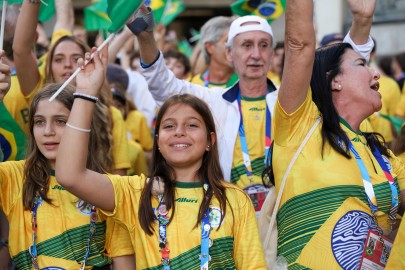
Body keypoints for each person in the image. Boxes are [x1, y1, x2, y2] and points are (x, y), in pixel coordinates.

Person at [127, 4, 375, 216]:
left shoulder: (294, 101)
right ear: (229, 54)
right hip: (229, 217)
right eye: (246, 45)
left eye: (264, 45)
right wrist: (146, 38)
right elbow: (162, 85)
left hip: (285, 216)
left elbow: (342, 76)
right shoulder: (212, 101)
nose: (255, 54)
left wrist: (362, 21)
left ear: (272, 52)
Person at [55, 47, 266, 269]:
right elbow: (70, 175)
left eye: (192, 125)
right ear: (157, 140)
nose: (179, 132)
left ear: (210, 141)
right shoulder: (136, 194)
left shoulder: (235, 200)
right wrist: (86, 92)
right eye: (169, 126)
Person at [270, 0, 405, 268]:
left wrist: (363, 19)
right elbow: (299, 45)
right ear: (334, 80)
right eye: (361, 64)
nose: (376, 74)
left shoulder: (382, 156)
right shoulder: (300, 126)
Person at [0, 84, 129, 269]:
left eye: (60, 121)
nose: (48, 131)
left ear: (82, 127)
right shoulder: (14, 176)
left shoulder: (106, 188)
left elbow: (123, 262)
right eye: (39, 122)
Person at [189, 16, 238, 88]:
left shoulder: (250, 83)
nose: (235, 47)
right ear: (210, 47)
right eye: (227, 41)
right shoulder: (192, 86)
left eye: (236, 41)